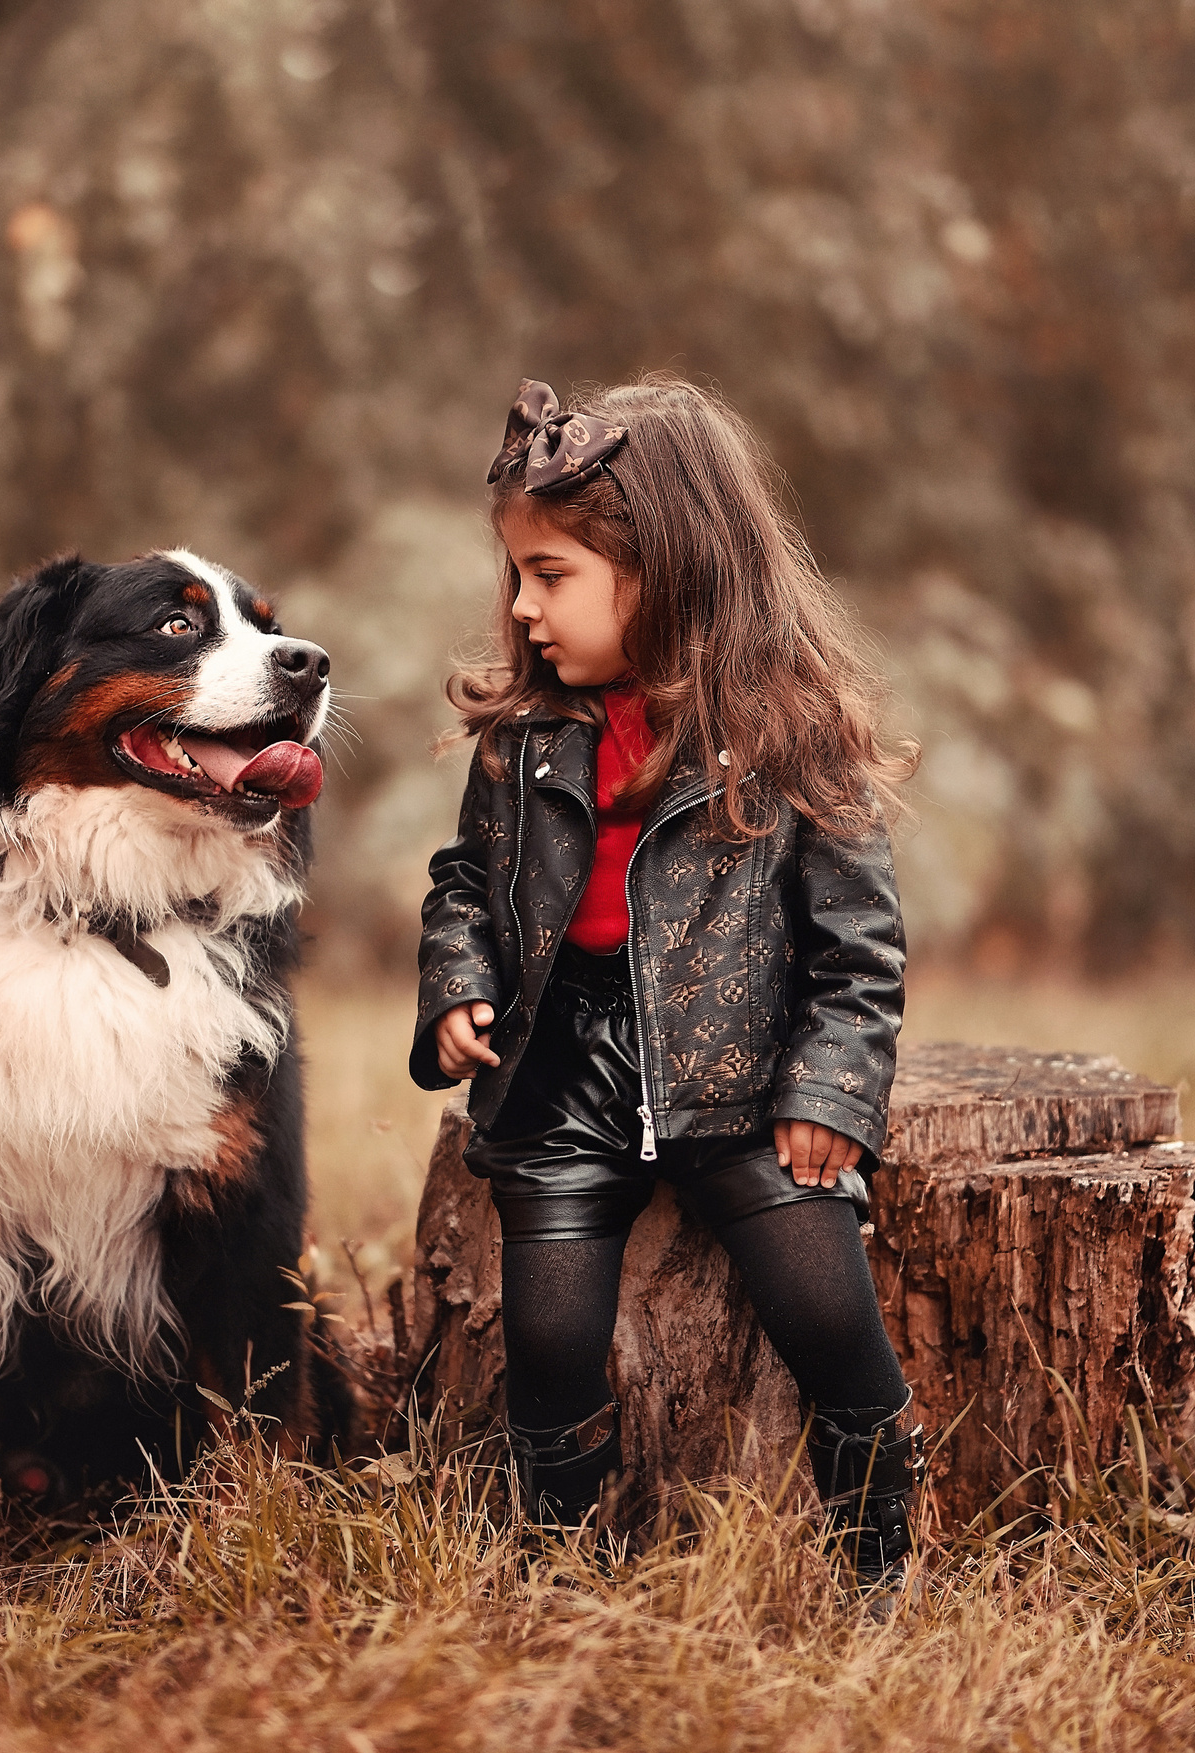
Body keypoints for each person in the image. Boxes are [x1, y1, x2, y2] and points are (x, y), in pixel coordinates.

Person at [410, 374, 924, 1581]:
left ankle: (878, 1554)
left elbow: (860, 946)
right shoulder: (525, 735)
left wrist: (832, 1091)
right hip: (561, 1069)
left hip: (737, 1069)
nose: (524, 609)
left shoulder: (789, 735)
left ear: (671, 568)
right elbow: (462, 883)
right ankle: (560, 1555)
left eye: (553, 576)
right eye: (518, 576)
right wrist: (455, 985)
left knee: (822, 1305)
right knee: (547, 1331)